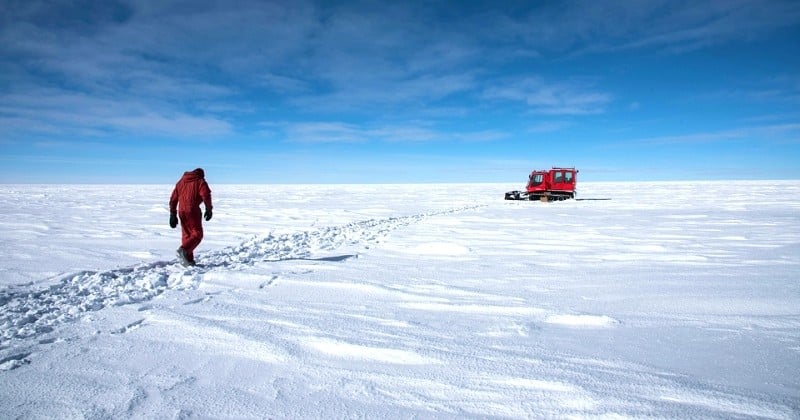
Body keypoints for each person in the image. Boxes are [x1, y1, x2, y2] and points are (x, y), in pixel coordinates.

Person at [169, 168, 213, 266]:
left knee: (187, 235)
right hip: (192, 211)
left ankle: (187, 260)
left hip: (181, 211)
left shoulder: (181, 182)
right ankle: (184, 250)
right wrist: (209, 209)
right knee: (197, 234)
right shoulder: (200, 181)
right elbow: (206, 195)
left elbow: (173, 199)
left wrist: (173, 213)